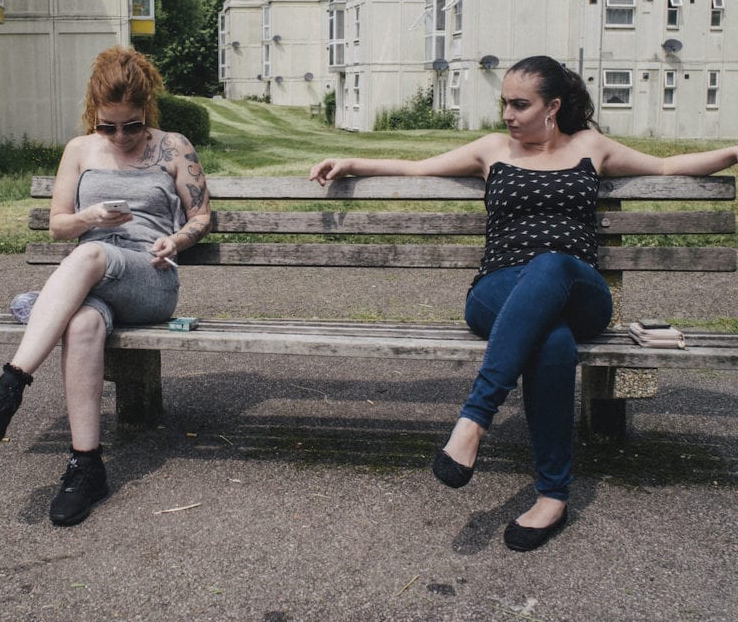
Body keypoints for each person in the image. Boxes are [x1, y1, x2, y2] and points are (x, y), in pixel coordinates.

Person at [310, 55, 737, 551]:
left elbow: (666, 165)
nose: (507, 115)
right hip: (497, 291)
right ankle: (553, 495)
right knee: (551, 343)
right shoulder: (493, 149)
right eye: (504, 103)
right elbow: (417, 166)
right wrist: (353, 162)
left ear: (552, 107)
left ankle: (473, 420)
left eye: (519, 104)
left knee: (552, 263)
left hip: (578, 290)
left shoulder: (589, 147)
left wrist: (732, 151)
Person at [0, 45, 211, 527]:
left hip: (149, 280)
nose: (120, 136)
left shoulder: (174, 146)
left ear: (147, 110)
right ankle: (85, 466)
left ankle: (10, 384)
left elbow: (202, 213)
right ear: (93, 115)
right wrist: (90, 216)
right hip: (91, 281)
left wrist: (177, 239)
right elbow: (58, 225)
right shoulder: (79, 151)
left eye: (132, 125)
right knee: (79, 324)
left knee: (92, 253)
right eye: (108, 126)